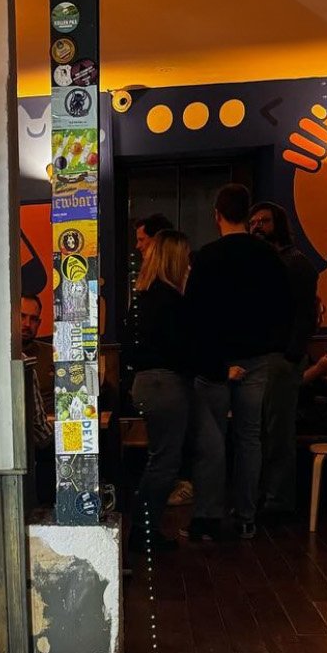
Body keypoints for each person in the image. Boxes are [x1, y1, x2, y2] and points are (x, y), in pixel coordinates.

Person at [183, 183, 293, 541]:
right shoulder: (267, 256)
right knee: (249, 438)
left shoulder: (207, 257)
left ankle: (209, 516)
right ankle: (246, 516)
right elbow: (283, 306)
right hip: (257, 357)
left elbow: (194, 314)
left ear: (217, 215)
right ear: (248, 215)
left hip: (216, 360)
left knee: (211, 439)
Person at [250, 201, 320, 521]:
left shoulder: (295, 262)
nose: (258, 226)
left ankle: (278, 501)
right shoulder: (267, 261)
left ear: (278, 223)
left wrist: (291, 354)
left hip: (281, 357)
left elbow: (306, 314)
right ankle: (267, 495)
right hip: (266, 356)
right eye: (253, 222)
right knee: (263, 432)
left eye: (264, 221)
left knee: (277, 433)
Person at [124, 230, 193, 550]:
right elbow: (184, 351)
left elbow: (129, 349)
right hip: (166, 384)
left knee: (157, 459)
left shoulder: (142, 297)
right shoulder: (173, 300)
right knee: (165, 462)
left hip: (143, 384)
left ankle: (141, 528)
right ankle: (144, 531)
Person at [21, 292, 54, 507]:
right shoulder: (18, 359)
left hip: (49, 425)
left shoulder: (51, 353)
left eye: (33, 319)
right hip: (30, 434)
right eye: (22, 316)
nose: (27, 324)